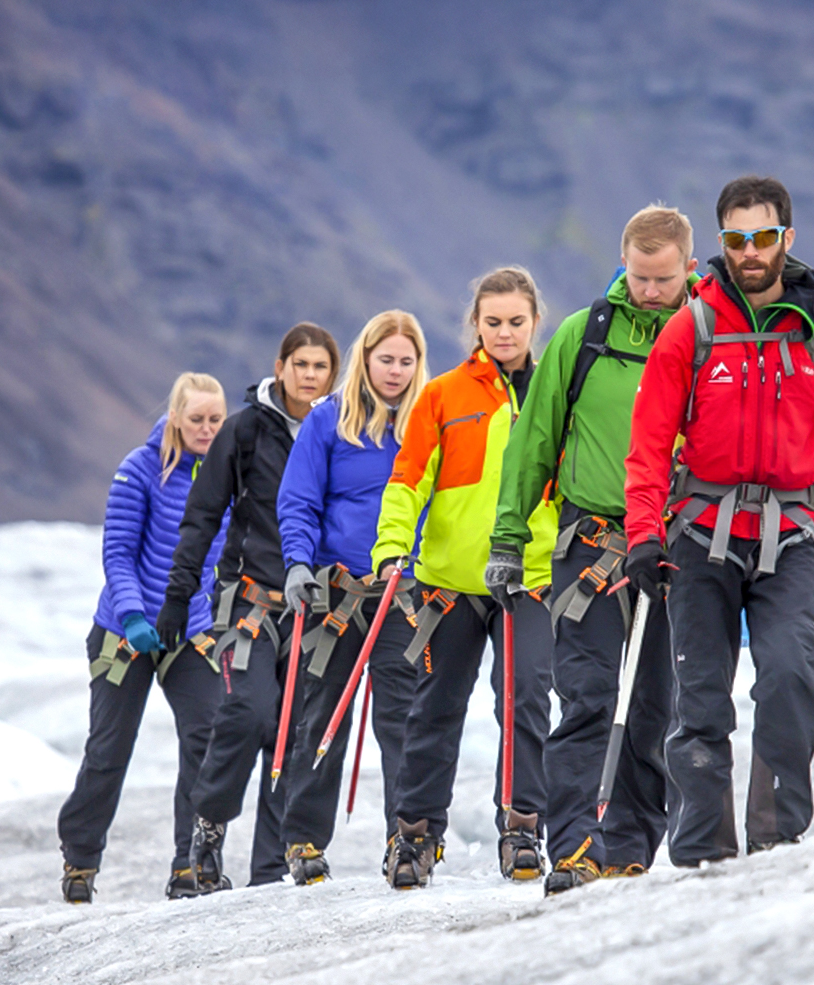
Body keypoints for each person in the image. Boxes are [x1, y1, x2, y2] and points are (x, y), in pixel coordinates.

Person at [624, 176, 814, 866]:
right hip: (699, 536)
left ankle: (775, 838)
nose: (749, 252)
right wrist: (644, 536)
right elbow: (646, 448)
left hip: (791, 535)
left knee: (792, 679)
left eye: (763, 237)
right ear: (723, 242)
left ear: (786, 238)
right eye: (736, 239)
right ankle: (703, 853)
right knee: (699, 702)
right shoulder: (689, 330)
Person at [488, 205, 697, 894]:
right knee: (585, 695)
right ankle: (574, 847)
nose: (649, 291)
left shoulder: (707, 340)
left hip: (674, 548)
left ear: (688, 270)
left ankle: (630, 846)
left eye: (663, 279)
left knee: (654, 703)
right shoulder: (584, 337)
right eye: (638, 277)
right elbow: (533, 442)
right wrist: (509, 538)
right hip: (591, 547)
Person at [375, 267, 559, 889]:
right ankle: (416, 837)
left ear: (536, 322)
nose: (505, 332)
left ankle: (522, 827)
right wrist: (391, 549)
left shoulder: (555, 391)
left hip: (530, 578)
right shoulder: (444, 395)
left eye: (516, 321)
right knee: (435, 708)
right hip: (449, 582)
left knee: (527, 700)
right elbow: (407, 480)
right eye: (493, 322)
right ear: (475, 325)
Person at [156, 324, 340, 890]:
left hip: (316, 608)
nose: (310, 376)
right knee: (249, 713)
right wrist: (176, 596)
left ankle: (269, 870)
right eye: (300, 365)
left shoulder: (342, 432)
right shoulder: (242, 433)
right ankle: (206, 837)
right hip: (250, 601)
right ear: (280, 367)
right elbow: (202, 517)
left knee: (299, 731)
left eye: (320, 367)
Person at [58, 372, 229, 904]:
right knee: (109, 750)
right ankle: (80, 862)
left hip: (191, 634)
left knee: (205, 742)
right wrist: (134, 616)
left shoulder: (230, 472)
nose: (206, 429)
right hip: (124, 634)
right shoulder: (138, 470)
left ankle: (192, 866)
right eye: (196, 419)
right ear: (175, 417)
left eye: (215, 420)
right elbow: (118, 554)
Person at [274, 310, 430, 884]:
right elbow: (299, 500)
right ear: (365, 359)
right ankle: (304, 841)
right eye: (385, 359)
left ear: (419, 365)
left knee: (403, 718)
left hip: (405, 594)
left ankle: (406, 841)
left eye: (405, 361)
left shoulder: (426, 421)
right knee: (322, 714)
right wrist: (296, 563)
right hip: (333, 591)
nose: (394, 370)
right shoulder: (327, 421)